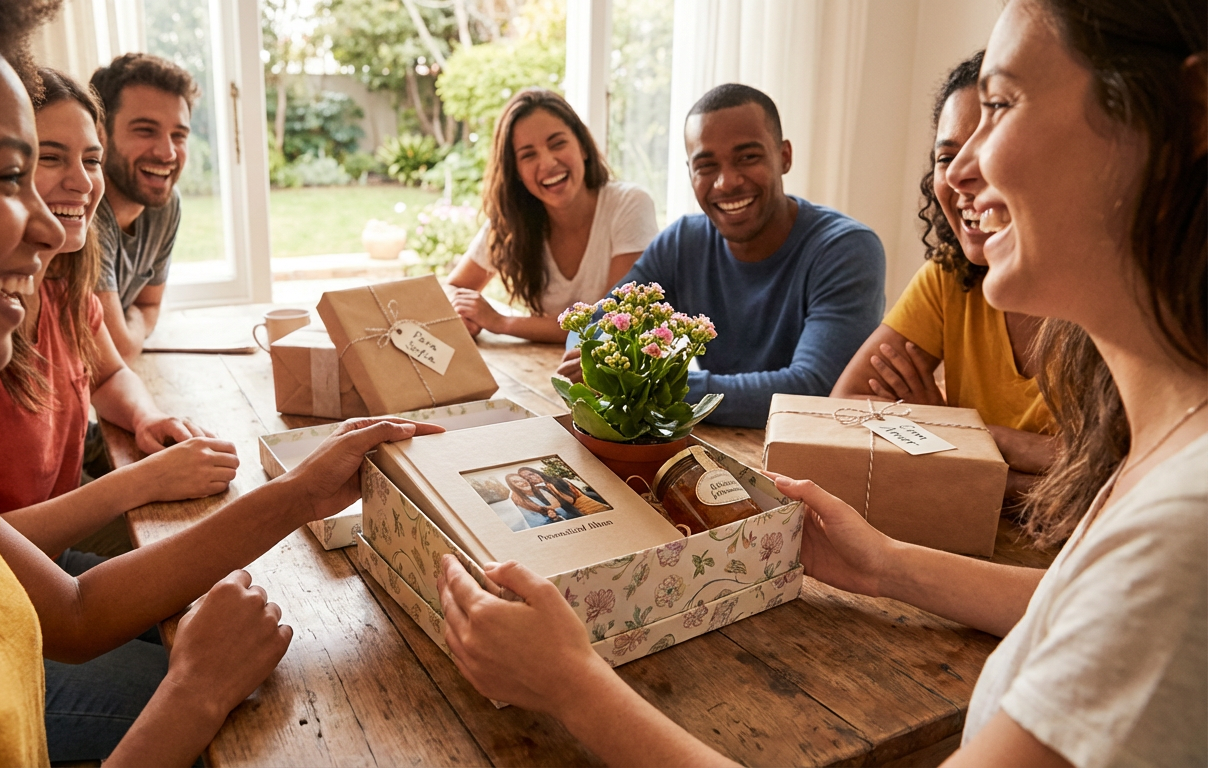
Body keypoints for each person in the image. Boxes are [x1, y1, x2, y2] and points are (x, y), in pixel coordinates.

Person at [437, 0, 1206, 765]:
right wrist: (886, 564)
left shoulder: (1183, 534)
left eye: (1002, 106)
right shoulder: (1157, 463)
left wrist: (574, 687)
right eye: (951, 144)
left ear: (1188, 117)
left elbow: (812, 388)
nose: (962, 172)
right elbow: (1076, 605)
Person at [0, 4, 442, 765]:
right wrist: (193, 693)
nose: (52, 227)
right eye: (7, 175)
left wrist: (302, 493)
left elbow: (77, 611)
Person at [0, 68, 235, 760]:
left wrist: (143, 421)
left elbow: (111, 370)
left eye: (88, 160)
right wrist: (139, 480)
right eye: (44, 159)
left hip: (44, 575)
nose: (81, 182)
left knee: (208, 610)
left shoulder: (60, 285)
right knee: (224, 697)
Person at [557, 84, 887, 428]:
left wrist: (642, 384)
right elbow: (597, 322)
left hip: (808, 458)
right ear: (690, 173)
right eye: (706, 165)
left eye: (748, 157)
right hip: (719, 442)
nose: (726, 182)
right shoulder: (683, 241)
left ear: (784, 156)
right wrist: (592, 362)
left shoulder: (846, 249)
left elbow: (811, 390)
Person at [831, 51, 1055, 501]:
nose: (960, 176)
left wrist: (957, 432)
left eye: (989, 150)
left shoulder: (1100, 295)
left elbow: (1104, 486)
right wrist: (985, 452)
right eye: (946, 157)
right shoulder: (948, 276)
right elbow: (844, 408)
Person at [446, 89, 660, 343]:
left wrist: (501, 322)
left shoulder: (629, 204)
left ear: (583, 146)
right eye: (528, 155)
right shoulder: (512, 221)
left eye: (557, 143)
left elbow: (611, 322)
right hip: (538, 371)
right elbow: (454, 287)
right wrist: (463, 315)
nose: (547, 163)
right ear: (516, 172)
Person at [89, 53, 194, 363]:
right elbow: (115, 349)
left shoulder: (164, 204)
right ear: (99, 133)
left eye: (179, 135)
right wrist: (131, 333)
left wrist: (129, 329)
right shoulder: (83, 210)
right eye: (145, 130)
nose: (167, 152)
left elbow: (150, 307)